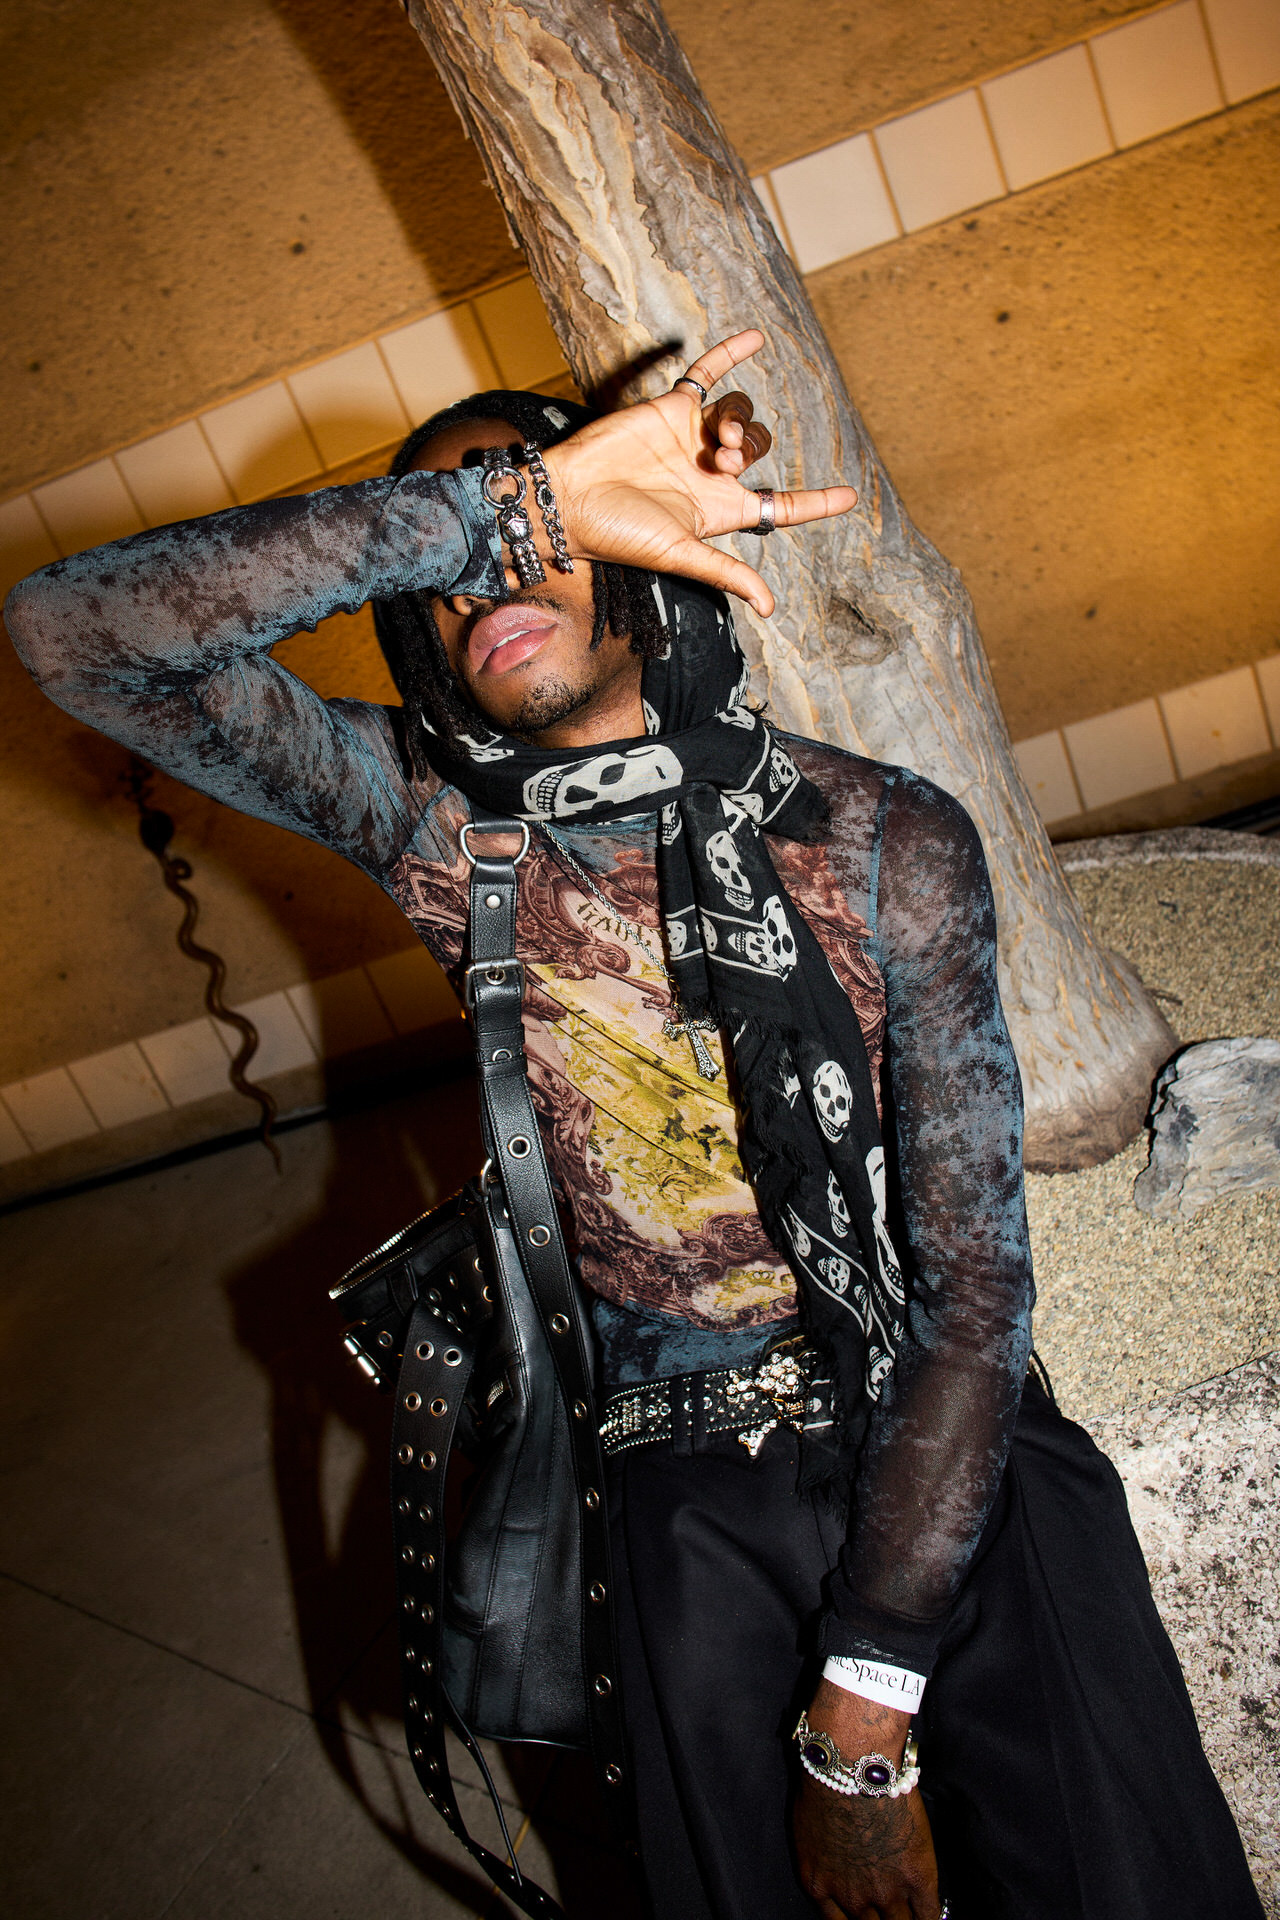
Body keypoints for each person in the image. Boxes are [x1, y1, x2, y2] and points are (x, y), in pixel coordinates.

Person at [5, 331, 1260, 1920]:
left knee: (1127, 1865)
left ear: (642, 555)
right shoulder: (431, 821)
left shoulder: (885, 837)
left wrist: (864, 1717)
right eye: (453, 561)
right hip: (673, 1462)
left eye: (537, 519)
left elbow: (976, 1291)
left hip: (941, 1425)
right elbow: (76, 634)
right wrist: (508, 512)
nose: (484, 584)